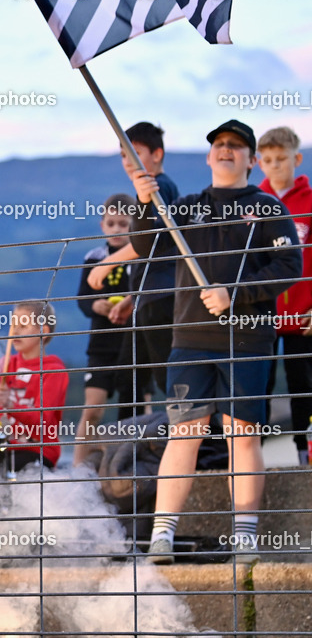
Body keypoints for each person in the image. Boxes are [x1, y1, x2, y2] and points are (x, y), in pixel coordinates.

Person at [130, 119, 301, 564]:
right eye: (219, 145)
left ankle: (245, 536)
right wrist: (146, 202)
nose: (226, 150)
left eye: (236, 146)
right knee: (183, 434)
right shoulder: (185, 207)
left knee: (241, 436)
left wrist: (236, 294)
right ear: (209, 157)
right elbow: (147, 245)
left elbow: (289, 265)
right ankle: (161, 537)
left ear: (249, 159)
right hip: (188, 338)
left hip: (247, 340)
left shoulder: (267, 208)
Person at [87, 123, 181, 404]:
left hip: (162, 298)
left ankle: (197, 442)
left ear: (157, 154)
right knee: (133, 376)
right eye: (124, 155)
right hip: (148, 297)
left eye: (135, 153)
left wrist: (107, 263)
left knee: (166, 379)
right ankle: (137, 443)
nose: (128, 162)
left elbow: (148, 242)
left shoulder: (159, 187)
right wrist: (132, 299)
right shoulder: (157, 189)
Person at [256, 126, 312, 463]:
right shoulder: (251, 203)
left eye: (282, 159)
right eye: (268, 160)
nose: (275, 165)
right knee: (258, 386)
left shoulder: (309, 202)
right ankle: (253, 457)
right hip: (263, 314)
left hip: (303, 316)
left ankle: (304, 455)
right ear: (259, 162)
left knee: (303, 386)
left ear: (297, 158)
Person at [0, 301, 68, 471]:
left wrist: (11, 405)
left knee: (6, 468)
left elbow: (42, 422)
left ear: (43, 331)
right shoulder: (7, 364)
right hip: (5, 444)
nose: (15, 331)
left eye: (23, 325)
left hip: (36, 450)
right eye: (13, 325)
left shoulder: (53, 371)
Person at [73, 194, 136, 465]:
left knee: (134, 409)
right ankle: (77, 468)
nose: (117, 230)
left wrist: (130, 302)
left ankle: (131, 464)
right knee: (93, 408)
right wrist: (95, 305)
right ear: (103, 225)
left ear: (134, 225)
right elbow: (82, 298)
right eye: (112, 223)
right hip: (101, 343)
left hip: (133, 342)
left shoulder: (140, 256)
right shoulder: (94, 257)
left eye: (124, 224)